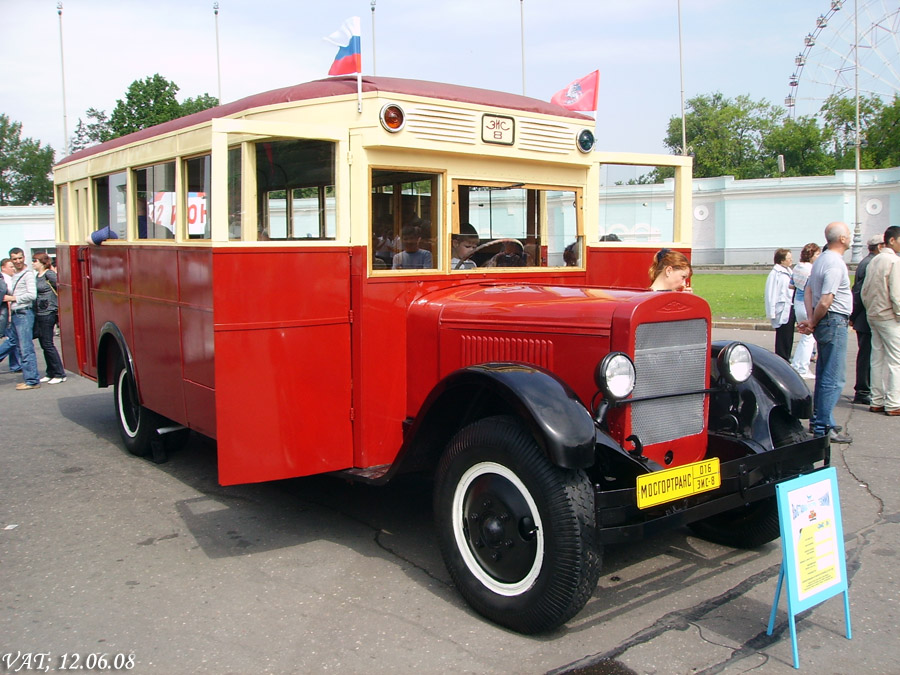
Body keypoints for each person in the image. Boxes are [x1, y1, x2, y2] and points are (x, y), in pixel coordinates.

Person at [797, 222, 853, 443]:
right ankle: (823, 426)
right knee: (834, 377)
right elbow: (826, 299)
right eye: (848, 234)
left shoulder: (821, 260)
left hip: (825, 321)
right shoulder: (834, 263)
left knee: (824, 373)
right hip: (833, 321)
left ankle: (821, 418)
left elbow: (809, 290)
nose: (850, 238)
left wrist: (811, 319)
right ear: (841, 239)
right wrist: (814, 320)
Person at [860, 226, 900, 416]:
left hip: (874, 314)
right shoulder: (894, 261)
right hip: (889, 316)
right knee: (895, 361)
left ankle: (876, 400)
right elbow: (896, 293)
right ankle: (893, 402)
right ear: (892, 241)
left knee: (877, 359)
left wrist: (870, 310)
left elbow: (864, 291)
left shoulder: (874, 260)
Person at [849, 235, 884, 404]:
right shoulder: (870, 264)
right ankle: (863, 389)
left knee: (869, 354)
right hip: (865, 316)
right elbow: (859, 293)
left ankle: (866, 388)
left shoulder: (869, 262)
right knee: (867, 354)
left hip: (864, 315)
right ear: (879, 246)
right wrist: (854, 315)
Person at [1, 247, 40, 390]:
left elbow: (32, 295)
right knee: (16, 345)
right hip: (17, 314)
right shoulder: (15, 274)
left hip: (24, 313)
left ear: (24, 257)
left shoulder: (27, 274)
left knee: (26, 348)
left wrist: (13, 298)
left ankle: (32, 380)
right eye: (14, 259)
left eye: (19, 258)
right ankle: (29, 378)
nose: (17, 261)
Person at [32, 253, 66, 384]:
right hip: (40, 312)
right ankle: (50, 371)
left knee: (48, 343)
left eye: (35, 260)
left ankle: (59, 373)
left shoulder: (48, 274)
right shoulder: (37, 276)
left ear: (42, 262)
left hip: (49, 312)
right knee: (43, 344)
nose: (33, 263)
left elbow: (61, 286)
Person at [790, 243, 821, 378]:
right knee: (808, 338)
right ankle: (802, 367)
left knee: (805, 337)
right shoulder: (811, 269)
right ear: (811, 255)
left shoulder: (797, 267)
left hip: (797, 301)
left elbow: (791, 285)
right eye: (817, 254)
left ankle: (797, 363)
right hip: (806, 303)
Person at [765, 248, 795, 361]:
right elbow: (770, 293)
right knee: (783, 335)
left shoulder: (789, 271)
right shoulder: (775, 274)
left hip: (790, 306)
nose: (791, 260)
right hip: (781, 308)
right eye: (788, 258)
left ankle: (786, 356)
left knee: (789, 335)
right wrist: (772, 312)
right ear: (781, 260)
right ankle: (781, 358)